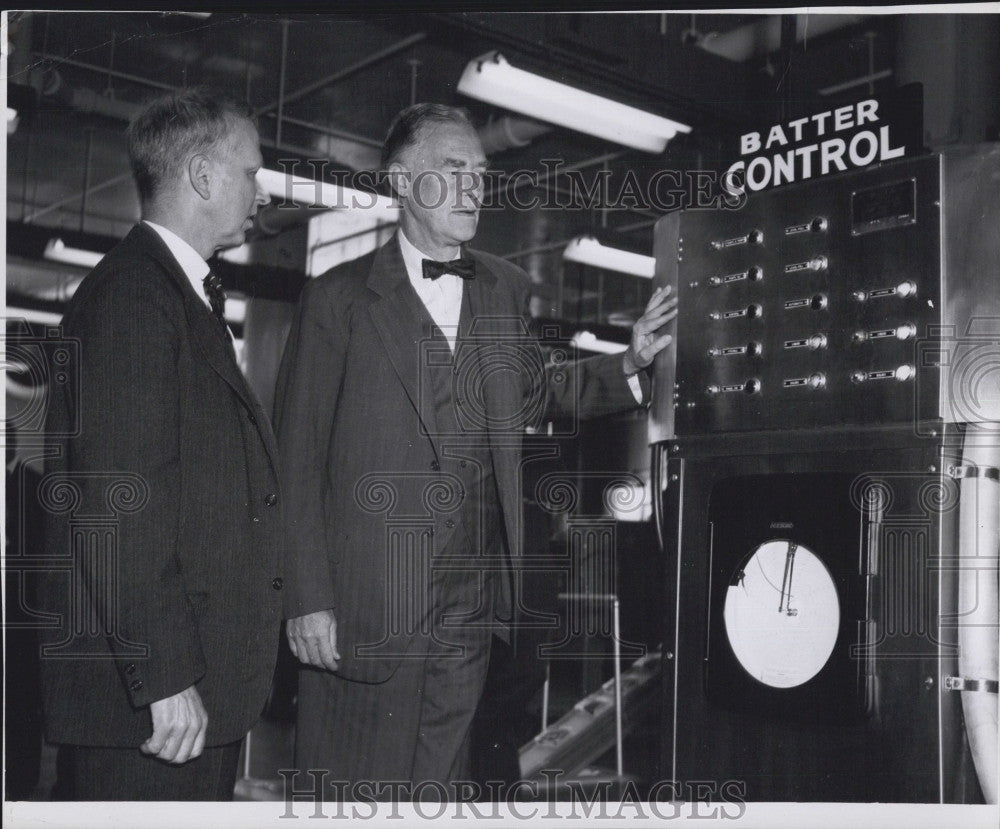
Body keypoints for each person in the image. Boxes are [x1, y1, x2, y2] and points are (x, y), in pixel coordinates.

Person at [274, 102, 675, 796]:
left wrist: (629, 362)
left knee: (441, 790)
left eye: (480, 172)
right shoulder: (336, 299)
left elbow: (537, 392)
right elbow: (296, 457)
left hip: (472, 603)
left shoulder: (500, 291)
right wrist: (307, 597)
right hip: (367, 603)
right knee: (351, 788)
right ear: (402, 183)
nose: (473, 187)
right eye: (452, 169)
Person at [37, 87, 283, 801]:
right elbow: (119, 500)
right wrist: (166, 673)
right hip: (153, 702)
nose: (260, 193)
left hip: (178, 691)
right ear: (203, 177)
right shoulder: (135, 300)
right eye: (251, 172)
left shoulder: (173, 295)